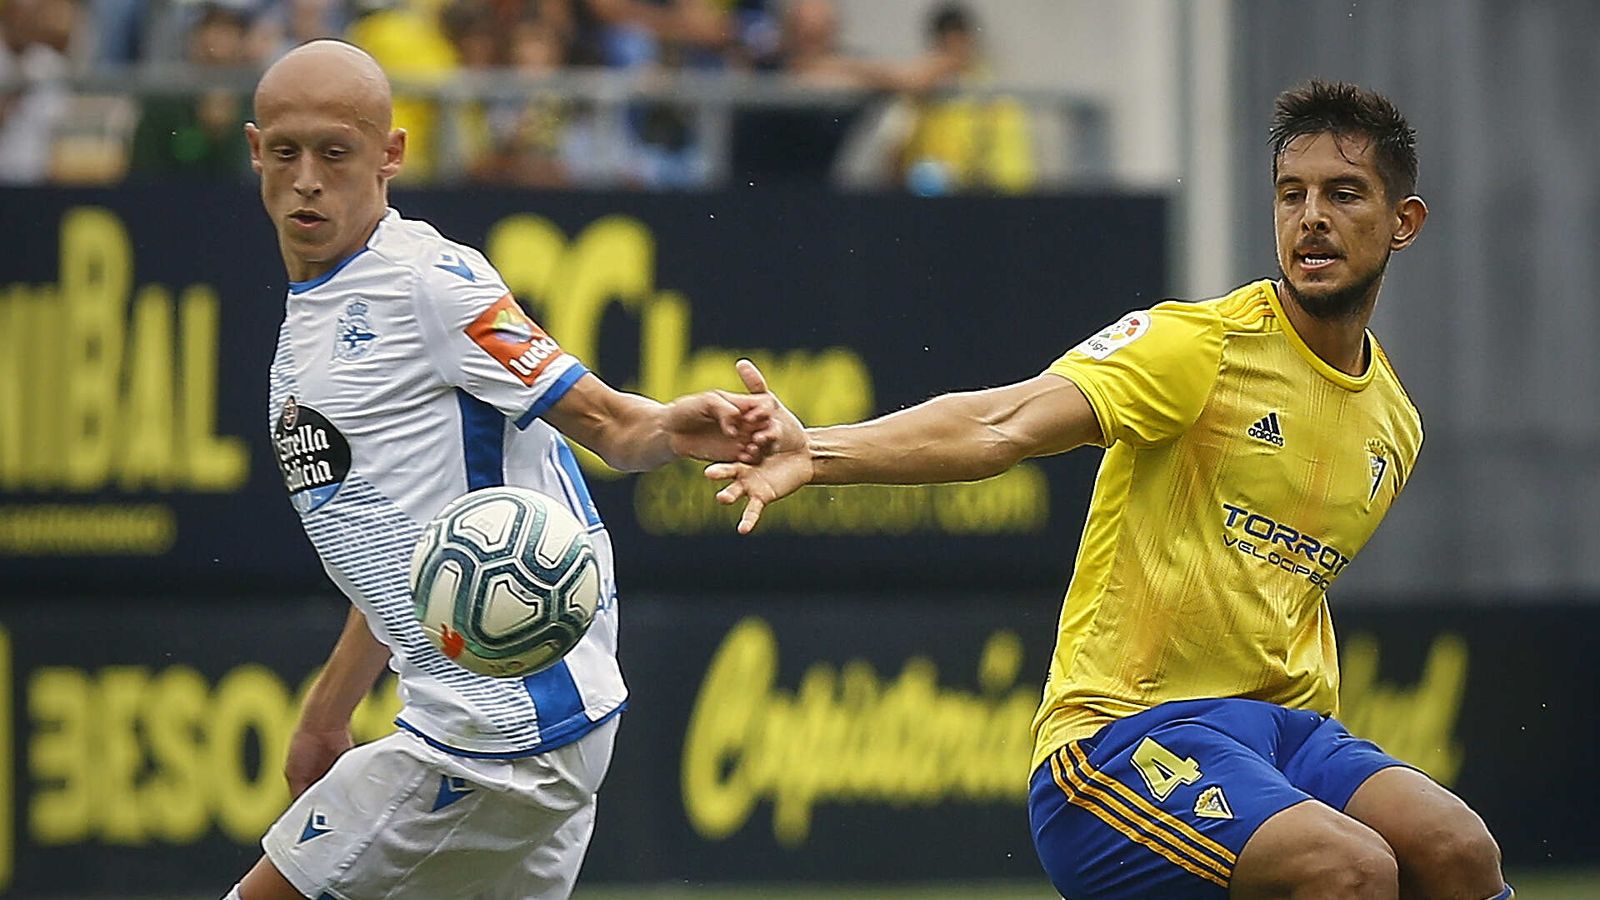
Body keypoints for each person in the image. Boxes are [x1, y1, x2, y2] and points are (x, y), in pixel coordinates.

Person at [708, 80, 1514, 900]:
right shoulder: (1198, 346)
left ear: (1403, 222)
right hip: (1119, 739)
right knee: (1351, 868)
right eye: (1290, 194)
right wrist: (818, 451)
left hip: (1286, 736)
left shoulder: (1394, 424)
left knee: (1459, 851)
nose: (1311, 217)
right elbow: (1000, 423)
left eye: (1343, 194)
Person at [228, 39, 775, 900]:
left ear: (391, 155)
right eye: (287, 152)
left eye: (335, 153)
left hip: (499, 735)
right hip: (522, 730)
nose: (306, 180)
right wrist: (330, 709)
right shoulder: (311, 319)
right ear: (255, 150)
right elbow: (418, 546)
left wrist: (672, 425)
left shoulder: (430, 282)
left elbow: (610, 424)